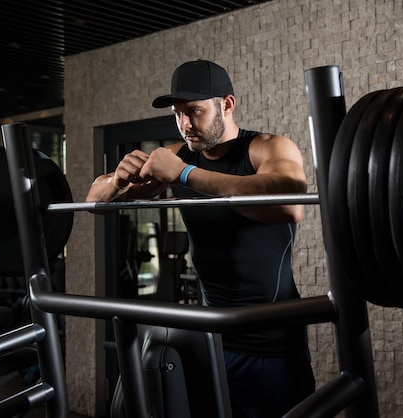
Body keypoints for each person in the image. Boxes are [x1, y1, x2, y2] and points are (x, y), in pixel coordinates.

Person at [86, 60, 315, 418]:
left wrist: (187, 175)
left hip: (271, 343)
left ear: (227, 104)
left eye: (194, 111)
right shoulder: (179, 156)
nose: (186, 124)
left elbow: (289, 202)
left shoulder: (266, 148)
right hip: (212, 337)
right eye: (178, 115)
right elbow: (94, 203)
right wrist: (118, 180)